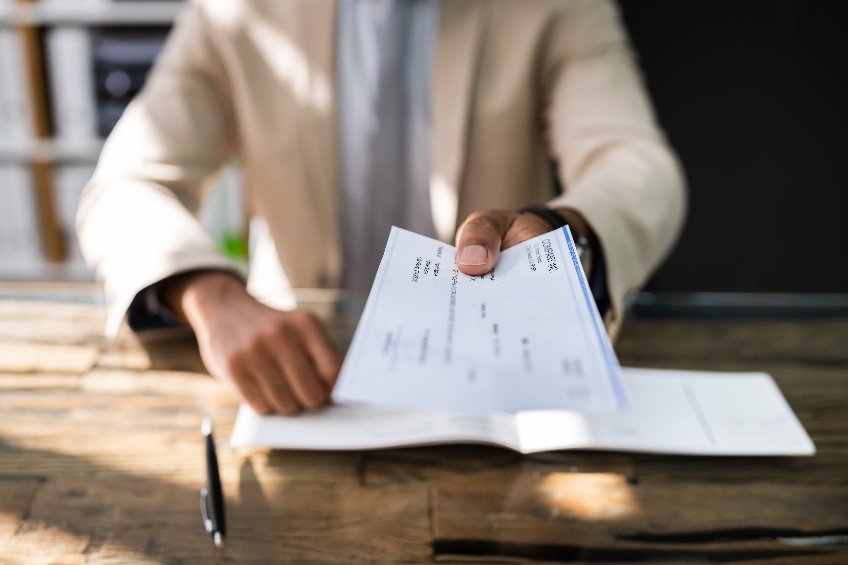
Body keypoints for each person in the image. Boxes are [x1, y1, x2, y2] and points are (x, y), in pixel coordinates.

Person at [77, 0, 686, 416]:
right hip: (299, 369)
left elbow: (637, 164)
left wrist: (566, 231)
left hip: (496, 377)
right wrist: (205, 292)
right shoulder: (236, 12)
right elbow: (126, 184)